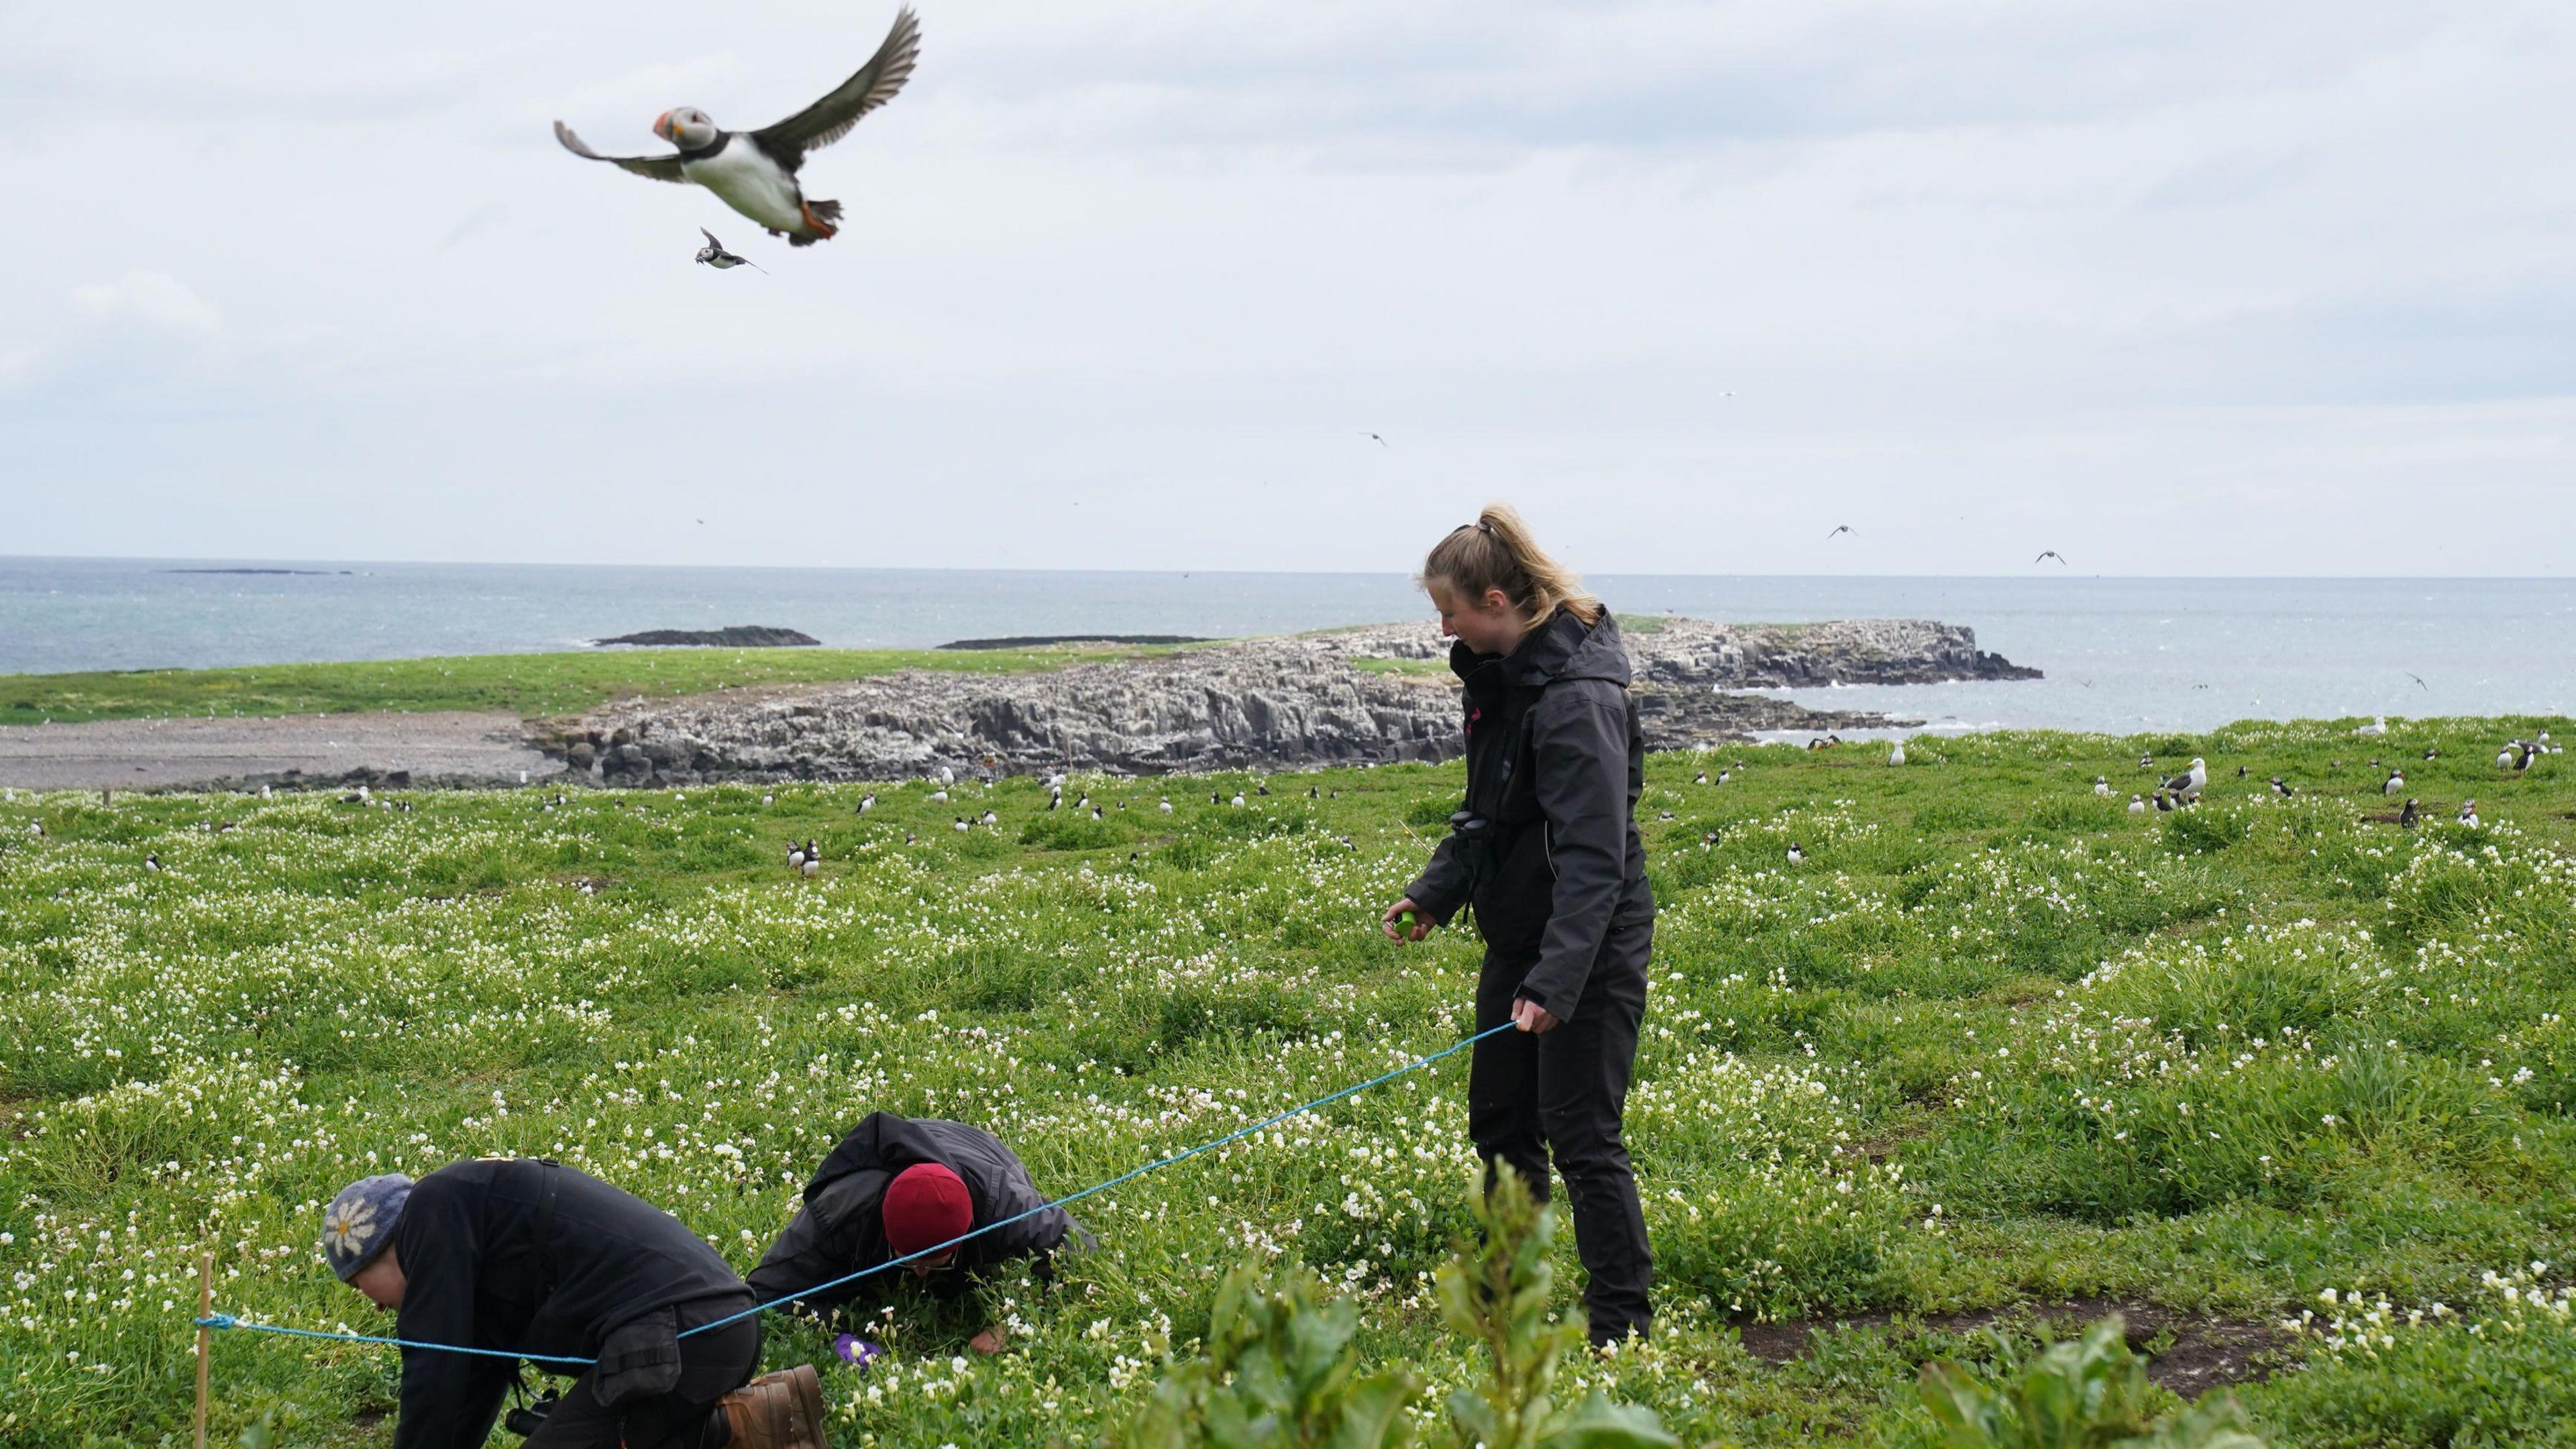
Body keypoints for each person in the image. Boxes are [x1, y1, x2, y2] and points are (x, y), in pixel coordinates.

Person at [1380, 503, 1657, 1346]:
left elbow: (1594, 860)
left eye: (1451, 611)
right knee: (1500, 1117)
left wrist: (1556, 981)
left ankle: (1621, 1323)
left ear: (1495, 600)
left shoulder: (1577, 701)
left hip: (1589, 940)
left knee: (1581, 1131)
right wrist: (1436, 892)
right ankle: (1515, 1292)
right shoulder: (1502, 680)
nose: (1443, 626)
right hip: (1520, 931)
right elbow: (1488, 816)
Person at [320, 1161, 825, 1449]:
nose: (378, 1308)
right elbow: (472, 1379)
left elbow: (435, 1365)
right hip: (702, 1331)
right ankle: (755, 1418)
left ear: (382, 1245)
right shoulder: (468, 1225)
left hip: (679, 1335)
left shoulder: (432, 1211)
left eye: (360, 1285)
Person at [749, 1112, 1094, 1352]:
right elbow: (764, 1290)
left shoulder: (1000, 1200)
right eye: (907, 1261)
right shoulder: (841, 1211)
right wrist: (839, 1336)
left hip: (978, 1149)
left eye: (936, 1263)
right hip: (902, 1156)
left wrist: (1017, 1326)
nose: (920, 1274)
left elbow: (1083, 1255)